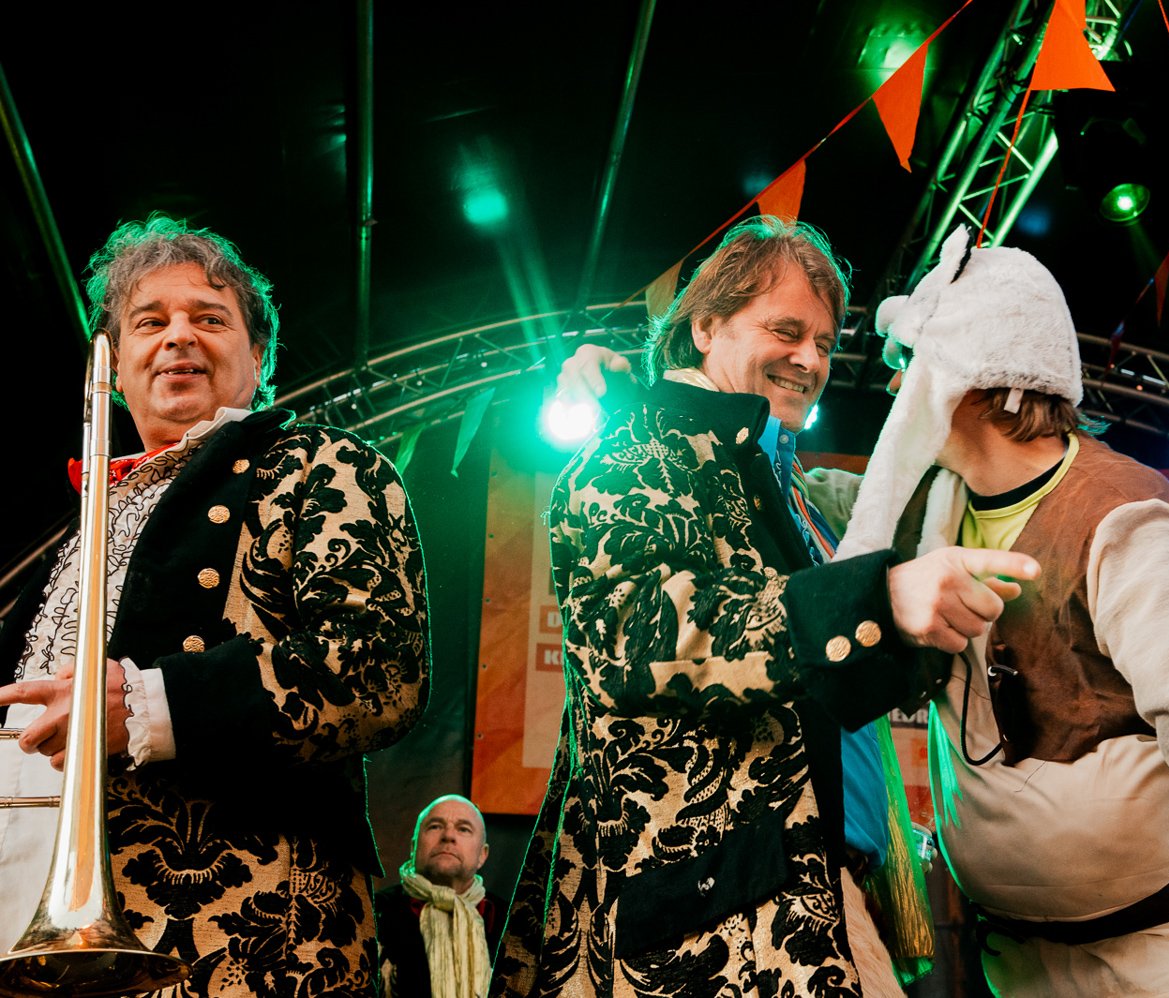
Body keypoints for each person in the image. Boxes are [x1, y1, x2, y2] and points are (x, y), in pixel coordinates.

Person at [813, 224, 1169, 996]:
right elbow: (788, 508)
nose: (894, 386)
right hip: (1023, 970)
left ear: (971, 374)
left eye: (912, 362)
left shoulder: (1124, 521)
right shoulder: (926, 510)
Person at [495, 215, 1039, 997]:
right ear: (705, 327)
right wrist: (878, 599)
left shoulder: (799, 496)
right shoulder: (633, 446)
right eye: (786, 331)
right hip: (724, 908)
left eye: (824, 342)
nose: (810, 360)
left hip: (816, 884)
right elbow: (645, 634)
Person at [0, 214, 430, 994]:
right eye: (150, 322)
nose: (178, 336)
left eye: (209, 318)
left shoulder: (320, 464)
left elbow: (379, 668)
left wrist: (145, 705)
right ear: (115, 368)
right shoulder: (82, 522)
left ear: (258, 357)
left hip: (239, 939)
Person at [375, 795, 501, 998]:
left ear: (482, 855)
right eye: (435, 826)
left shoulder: (511, 922)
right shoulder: (373, 913)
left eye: (463, 829)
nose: (448, 836)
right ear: (413, 847)